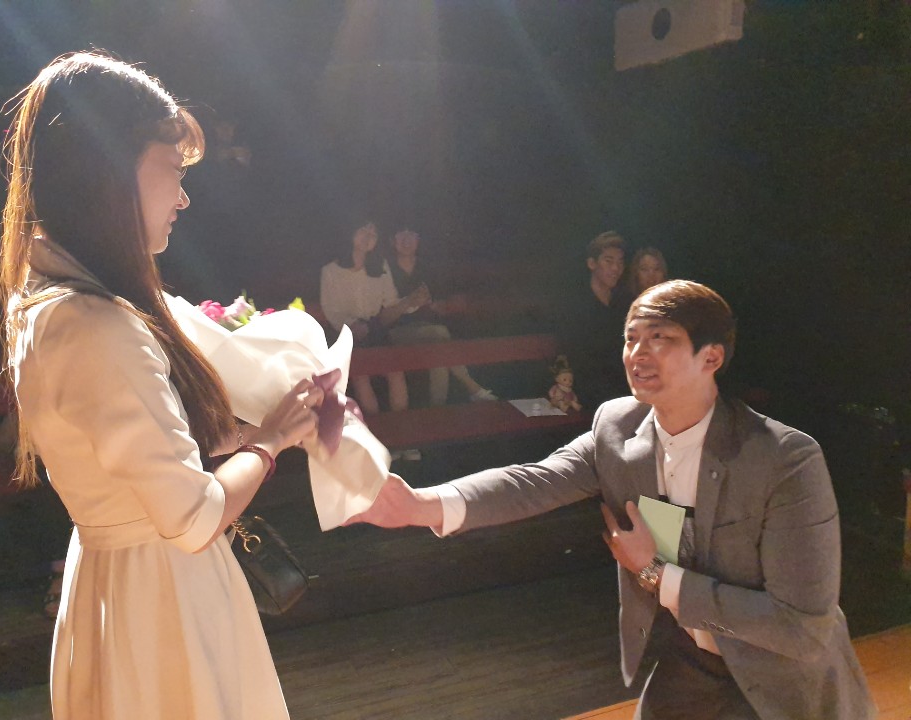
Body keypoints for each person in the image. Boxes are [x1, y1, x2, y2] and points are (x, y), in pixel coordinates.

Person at [350, 280, 875, 719]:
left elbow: (801, 627)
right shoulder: (617, 427)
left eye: (660, 339)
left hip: (784, 680)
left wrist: (655, 573)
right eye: (631, 338)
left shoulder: (784, 459)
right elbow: (536, 480)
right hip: (692, 663)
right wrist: (420, 504)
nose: (638, 353)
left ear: (711, 356)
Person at [0, 51, 323, 719]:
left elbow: (138, 454)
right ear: (110, 170)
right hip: (161, 598)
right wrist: (271, 440)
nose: (183, 197)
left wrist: (237, 428)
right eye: (173, 170)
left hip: (108, 581)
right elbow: (195, 516)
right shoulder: (98, 324)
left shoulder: (43, 299)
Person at [386, 228, 496, 405]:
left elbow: (440, 300)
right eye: (401, 235)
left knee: (439, 353)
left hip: (427, 328)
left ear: (418, 240)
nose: (406, 240)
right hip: (396, 330)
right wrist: (410, 302)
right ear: (392, 240)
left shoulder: (427, 267)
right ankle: (473, 388)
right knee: (439, 334)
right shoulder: (384, 268)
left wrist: (437, 304)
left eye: (411, 235)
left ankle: (438, 409)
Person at [319, 221, 418, 415]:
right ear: (350, 233)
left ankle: (402, 424)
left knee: (396, 371)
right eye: (363, 231)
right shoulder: (331, 270)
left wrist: (412, 303)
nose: (368, 237)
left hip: (375, 328)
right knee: (360, 375)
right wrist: (351, 326)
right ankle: (373, 426)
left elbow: (390, 301)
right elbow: (331, 309)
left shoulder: (379, 267)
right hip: (345, 333)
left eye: (373, 233)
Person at [557, 230, 631, 409]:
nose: (616, 268)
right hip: (589, 384)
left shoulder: (623, 301)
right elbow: (575, 354)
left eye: (620, 262)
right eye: (609, 261)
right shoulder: (576, 303)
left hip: (622, 380)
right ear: (592, 263)